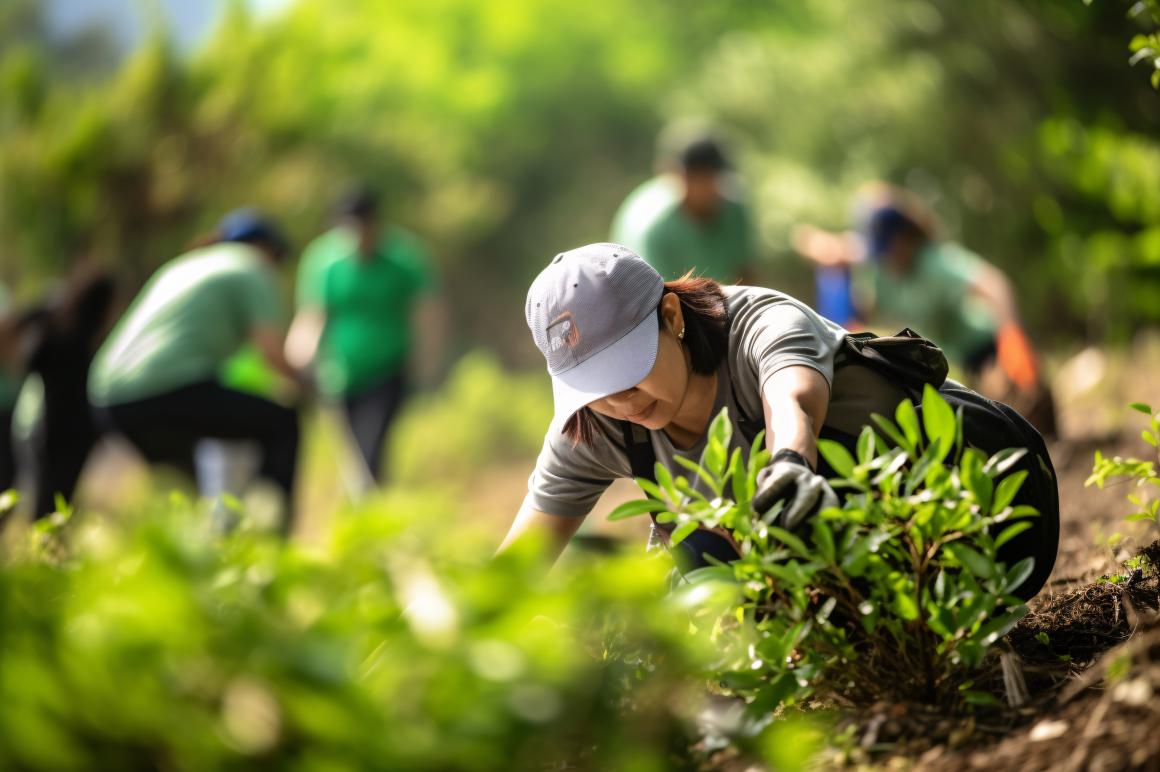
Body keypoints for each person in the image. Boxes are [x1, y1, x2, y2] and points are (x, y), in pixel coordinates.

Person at [498, 243, 1059, 599]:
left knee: (787, 499)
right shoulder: (594, 423)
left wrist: (790, 462)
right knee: (684, 569)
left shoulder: (762, 321)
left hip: (972, 501)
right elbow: (520, 562)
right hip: (824, 582)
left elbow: (790, 396)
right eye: (595, 388)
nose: (620, 401)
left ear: (672, 317)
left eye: (629, 371)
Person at [88, 209, 302, 534]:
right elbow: (272, 353)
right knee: (283, 424)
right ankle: (267, 539)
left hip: (110, 397)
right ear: (266, 248)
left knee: (184, 498)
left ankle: (192, 564)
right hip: (167, 388)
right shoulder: (251, 266)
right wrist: (308, 383)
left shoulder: (182, 266)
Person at [792, 184, 1054, 434]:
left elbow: (995, 285)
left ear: (906, 237)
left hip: (987, 348)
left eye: (891, 248)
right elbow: (828, 248)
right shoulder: (879, 267)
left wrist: (1011, 336)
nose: (888, 258)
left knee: (1023, 420)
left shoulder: (935, 262)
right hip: (953, 363)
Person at [286, 186, 442, 489]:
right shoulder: (323, 260)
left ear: (375, 224)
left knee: (372, 449)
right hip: (338, 373)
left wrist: (427, 361)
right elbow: (311, 316)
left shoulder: (404, 257)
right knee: (353, 457)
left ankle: (372, 515)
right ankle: (365, 517)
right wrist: (293, 365)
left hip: (388, 369)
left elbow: (428, 313)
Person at [17, 263, 117, 519]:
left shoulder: (58, 335)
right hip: (75, 432)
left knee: (45, 502)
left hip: (51, 430)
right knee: (61, 500)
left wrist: (46, 318)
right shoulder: (95, 343)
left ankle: (42, 552)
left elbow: (28, 360)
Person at [610, 135, 755, 283]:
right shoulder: (656, 227)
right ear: (682, 176)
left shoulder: (734, 212)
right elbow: (653, 295)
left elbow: (745, 273)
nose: (713, 188)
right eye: (705, 179)